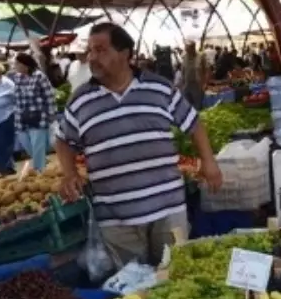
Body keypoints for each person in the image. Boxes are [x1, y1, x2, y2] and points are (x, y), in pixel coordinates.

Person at [57, 22, 222, 267]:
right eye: (90, 50)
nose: (92, 57)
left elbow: (193, 124)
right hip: (115, 219)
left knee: (174, 277)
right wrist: (69, 173)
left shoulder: (159, 87)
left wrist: (209, 162)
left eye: (101, 50)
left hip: (168, 209)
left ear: (125, 53)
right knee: (131, 288)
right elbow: (63, 139)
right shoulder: (80, 99)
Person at [12, 52, 57, 175]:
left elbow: (49, 97)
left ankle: (39, 172)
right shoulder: (17, 77)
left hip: (38, 117)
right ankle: (42, 161)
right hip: (21, 117)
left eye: (17, 63)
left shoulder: (39, 76)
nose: (15, 66)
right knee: (25, 142)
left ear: (25, 65)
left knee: (37, 145)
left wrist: (51, 115)